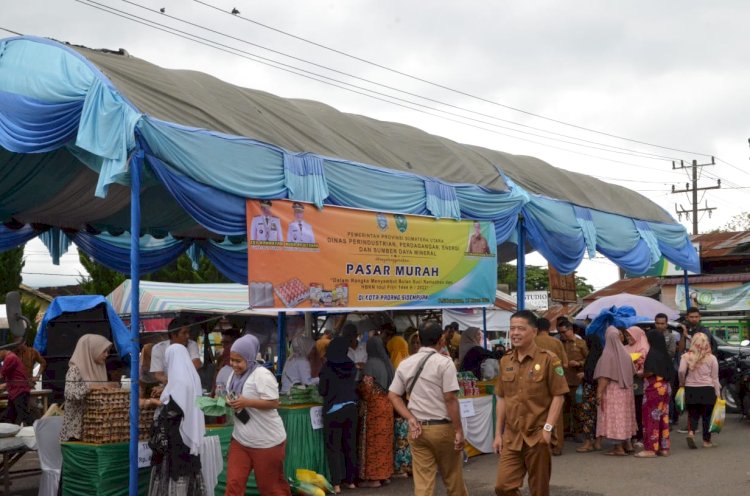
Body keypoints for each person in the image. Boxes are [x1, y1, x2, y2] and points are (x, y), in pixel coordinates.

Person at [492, 310, 567, 496]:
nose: (515, 333)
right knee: (503, 487)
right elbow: (501, 398)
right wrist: (497, 434)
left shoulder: (549, 359)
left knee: (539, 490)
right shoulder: (505, 361)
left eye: (520, 328)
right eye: (512, 329)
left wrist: (548, 430)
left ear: (533, 331)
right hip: (512, 436)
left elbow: (559, 396)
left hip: (537, 435)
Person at [388, 323, 467, 496]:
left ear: (420, 340)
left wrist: (410, 418)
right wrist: (459, 430)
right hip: (443, 428)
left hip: (418, 429)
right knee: (453, 480)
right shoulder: (445, 363)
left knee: (423, 483)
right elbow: (450, 399)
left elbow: (393, 395)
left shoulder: (405, 364)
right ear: (441, 340)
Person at [225, 334, 291, 495]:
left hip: (267, 443)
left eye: (238, 361)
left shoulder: (261, 375)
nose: (234, 364)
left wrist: (246, 402)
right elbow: (235, 397)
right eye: (232, 360)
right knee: (233, 485)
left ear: (249, 358)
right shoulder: (233, 376)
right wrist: (229, 402)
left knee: (271, 489)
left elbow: (274, 402)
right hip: (241, 440)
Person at [146, 344, 207, 496]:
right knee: (188, 478)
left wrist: (151, 403)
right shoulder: (192, 378)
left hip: (175, 439)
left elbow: (173, 409)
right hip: (188, 437)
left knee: (173, 478)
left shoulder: (178, 382)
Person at [318, 337, 359, 493]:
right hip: (352, 408)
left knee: (333, 447)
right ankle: (351, 481)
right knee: (350, 445)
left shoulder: (327, 368)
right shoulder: (351, 366)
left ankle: (336, 483)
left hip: (333, 411)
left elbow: (322, 390)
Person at [60, 335, 115, 441]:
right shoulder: (75, 370)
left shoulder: (99, 367)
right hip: (76, 433)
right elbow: (69, 393)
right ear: (91, 350)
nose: (106, 355)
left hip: (94, 430)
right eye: (104, 351)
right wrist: (90, 386)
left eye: (108, 351)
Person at [357, 337, 395, 488]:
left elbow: (366, 389)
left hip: (374, 407)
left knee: (373, 442)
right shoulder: (388, 363)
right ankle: (385, 475)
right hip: (387, 404)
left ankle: (374, 479)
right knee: (385, 442)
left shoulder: (371, 363)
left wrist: (357, 388)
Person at [594, 327, 637, 456]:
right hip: (626, 391)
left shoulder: (608, 354)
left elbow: (604, 377)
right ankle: (627, 444)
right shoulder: (625, 352)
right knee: (625, 417)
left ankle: (618, 448)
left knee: (614, 418)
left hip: (613, 391)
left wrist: (599, 393)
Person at [634, 329, 674, 458]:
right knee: (663, 417)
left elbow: (649, 372)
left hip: (654, 388)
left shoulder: (652, 354)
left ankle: (651, 448)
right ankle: (663, 447)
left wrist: (639, 370)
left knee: (651, 417)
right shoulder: (665, 354)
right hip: (665, 387)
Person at [678, 332, 720, 449]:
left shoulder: (686, 356)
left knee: (693, 413)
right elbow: (715, 377)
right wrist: (717, 393)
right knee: (707, 416)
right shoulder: (711, 358)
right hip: (708, 389)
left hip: (691, 388)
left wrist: (682, 382)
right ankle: (707, 441)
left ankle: (691, 433)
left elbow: (681, 371)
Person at [533, 317, 568, 456]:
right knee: (556, 415)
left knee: (536, 414)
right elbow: (565, 364)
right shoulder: (557, 342)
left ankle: (538, 444)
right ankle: (557, 445)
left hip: (535, 382)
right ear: (548, 328)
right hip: (555, 381)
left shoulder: (531, 342)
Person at [151, 317, 202, 388]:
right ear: (173, 335)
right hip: (168, 387)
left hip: (189, 387)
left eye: (188, 332)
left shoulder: (191, 344)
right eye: (184, 333)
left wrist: (174, 383)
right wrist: (172, 386)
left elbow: (196, 364)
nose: (188, 336)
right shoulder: (159, 348)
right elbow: (159, 375)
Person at [559, 320, 588, 439]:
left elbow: (588, 359)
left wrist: (579, 363)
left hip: (576, 380)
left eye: (564, 332)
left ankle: (577, 431)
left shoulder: (581, 343)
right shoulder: (559, 344)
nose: (562, 335)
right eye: (560, 332)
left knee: (577, 407)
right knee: (563, 407)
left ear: (570, 330)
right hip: (562, 380)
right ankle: (565, 431)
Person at [576, 333, 603, 453]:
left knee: (587, 416)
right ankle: (597, 442)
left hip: (590, 390)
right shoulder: (602, 356)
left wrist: (584, 375)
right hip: (599, 390)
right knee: (598, 416)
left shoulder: (592, 357)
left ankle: (588, 443)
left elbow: (591, 375)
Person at [624, 326, 649, 445]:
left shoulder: (644, 349)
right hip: (627, 384)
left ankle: (640, 436)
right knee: (629, 411)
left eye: (630, 335)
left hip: (640, 383)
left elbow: (646, 366)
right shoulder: (624, 348)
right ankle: (632, 435)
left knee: (639, 411)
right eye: (627, 335)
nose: (628, 337)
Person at [0, 347, 35, 426]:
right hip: (15, 391)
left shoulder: (10, 358)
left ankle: (36, 429)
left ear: (2, 351)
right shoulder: (12, 357)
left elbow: (1, 375)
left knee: (23, 415)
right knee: (10, 415)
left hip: (19, 391)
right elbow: (13, 376)